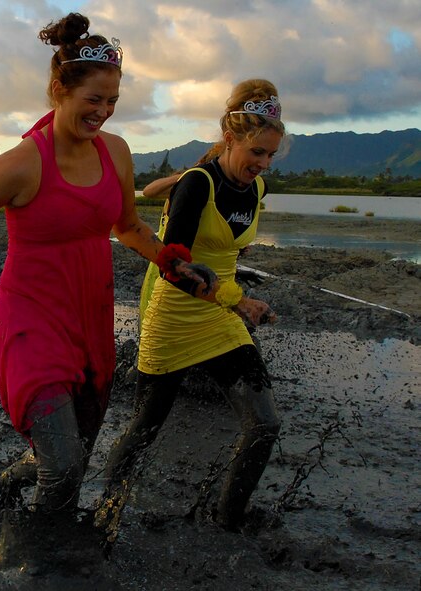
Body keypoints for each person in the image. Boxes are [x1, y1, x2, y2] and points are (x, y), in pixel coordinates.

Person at [0, 13, 212, 514]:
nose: (104, 113)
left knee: (70, 459)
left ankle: (0, 490)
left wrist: (176, 265)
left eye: (113, 101)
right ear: (59, 90)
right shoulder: (20, 164)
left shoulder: (116, 152)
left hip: (90, 318)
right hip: (30, 319)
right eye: (94, 99)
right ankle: (39, 560)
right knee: (66, 465)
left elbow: (128, 227)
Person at [100, 79, 286, 532]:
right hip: (175, 319)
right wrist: (239, 300)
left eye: (270, 156)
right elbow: (173, 266)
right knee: (145, 428)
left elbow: (226, 252)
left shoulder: (256, 192)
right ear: (230, 138)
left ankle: (228, 520)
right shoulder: (197, 184)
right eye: (256, 152)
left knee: (263, 423)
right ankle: (107, 510)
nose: (261, 165)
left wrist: (236, 285)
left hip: (220, 318)